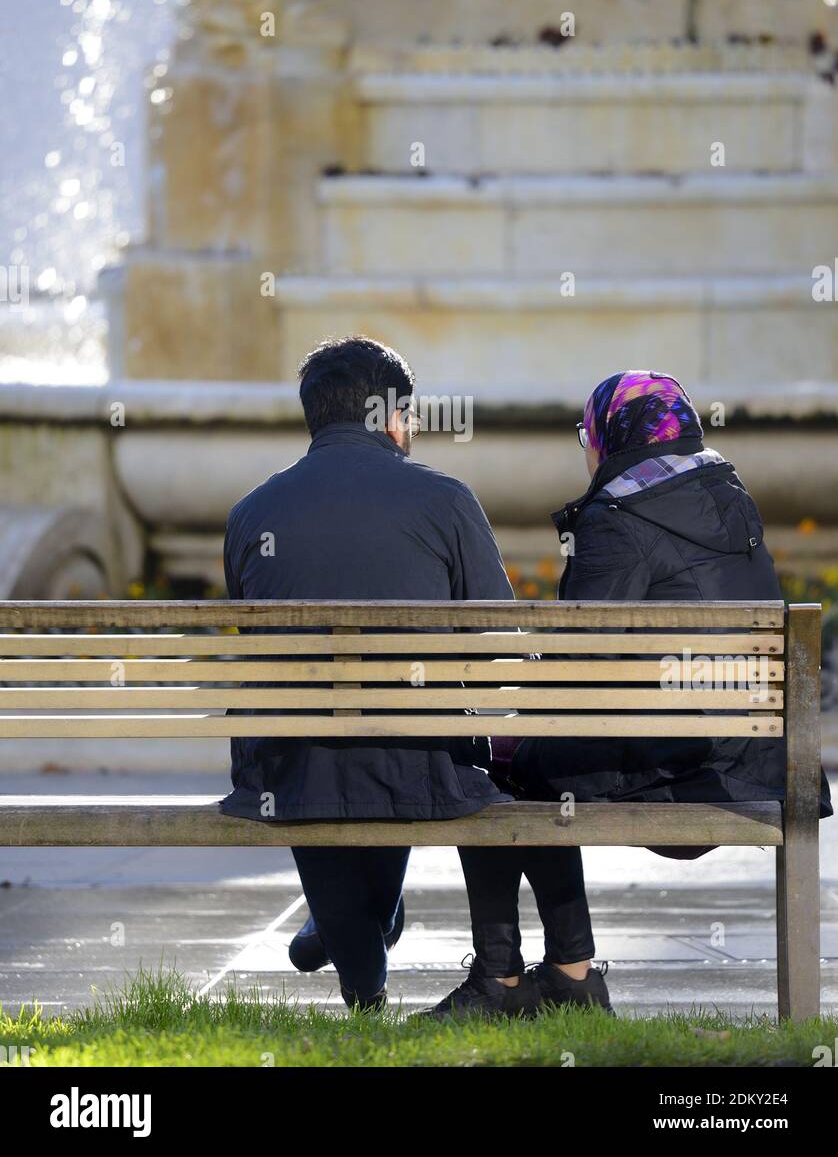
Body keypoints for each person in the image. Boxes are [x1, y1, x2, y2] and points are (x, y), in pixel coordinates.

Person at [427, 369, 832, 1019]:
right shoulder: (729, 496)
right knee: (529, 760)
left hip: (679, 768)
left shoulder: (618, 518)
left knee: (491, 768)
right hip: (757, 763)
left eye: (588, 436)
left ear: (613, 437)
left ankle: (506, 982)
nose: (587, 451)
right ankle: (569, 976)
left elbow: (576, 663)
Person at [220, 335, 516, 1013]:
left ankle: (353, 946)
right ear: (389, 415)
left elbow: (256, 647)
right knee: (394, 747)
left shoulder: (251, 512)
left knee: (305, 747)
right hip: (420, 765)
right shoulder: (444, 499)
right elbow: (497, 634)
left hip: (287, 770)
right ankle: (364, 928)